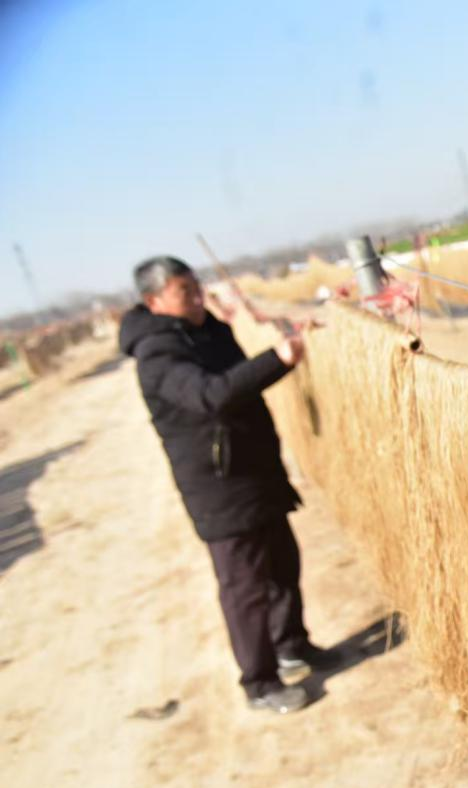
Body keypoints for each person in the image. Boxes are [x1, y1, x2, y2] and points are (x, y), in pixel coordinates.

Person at [120, 256, 336, 713]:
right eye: (184, 292)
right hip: (218, 486)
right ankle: (259, 682)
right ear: (154, 300)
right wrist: (277, 358)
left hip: (255, 468)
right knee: (244, 586)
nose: (197, 297)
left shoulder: (209, 330)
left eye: (197, 287)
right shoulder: (156, 353)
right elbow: (210, 394)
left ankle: (292, 645)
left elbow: (242, 377)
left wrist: (282, 350)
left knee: (282, 564)